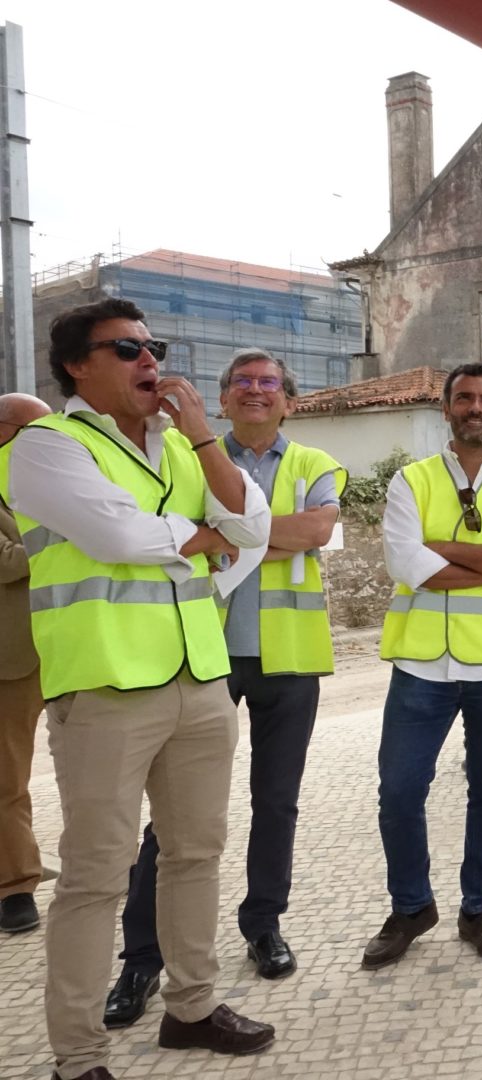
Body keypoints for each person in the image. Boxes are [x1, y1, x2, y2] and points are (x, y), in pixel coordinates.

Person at [1, 299, 277, 1078]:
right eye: (126, 349)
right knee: (97, 875)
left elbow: (253, 526)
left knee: (196, 853)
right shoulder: (47, 447)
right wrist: (201, 538)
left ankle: (190, 1009)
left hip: (199, 676)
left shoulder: (183, 445)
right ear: (76, 366)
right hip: (105, 686)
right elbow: (116, 535)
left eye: (153, 345)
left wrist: (198, 435)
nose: (149, 360)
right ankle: (77, 1053)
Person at [106, 350, 346, 1025]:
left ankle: (263, 924)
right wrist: (253, 535)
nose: (256, 392)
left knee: (277, 803)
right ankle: (141, 959)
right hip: (201, 654)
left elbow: (315, 530)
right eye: (242, 382)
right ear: (222, 398)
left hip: (289, 659)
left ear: (289, 401)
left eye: (269, 383)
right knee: (173, 818)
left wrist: (225, 537)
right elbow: (171, 538)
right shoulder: (184, 457)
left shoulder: (315, 466)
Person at [364, 362, 482, 969]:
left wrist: (439, 549)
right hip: (421, 666)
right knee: (398, 792)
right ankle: (411, 906)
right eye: (465, 398)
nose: (476, 408)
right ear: (446, 408)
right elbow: (403, 562)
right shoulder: (409, 480)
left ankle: (479, 908)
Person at [0, 392, 52, 936]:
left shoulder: (42, 482)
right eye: (35, 430)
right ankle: (16, 886)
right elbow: (7, 563)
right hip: (12, 661)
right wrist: (68, 532)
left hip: (69, 648)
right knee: (8, 781)